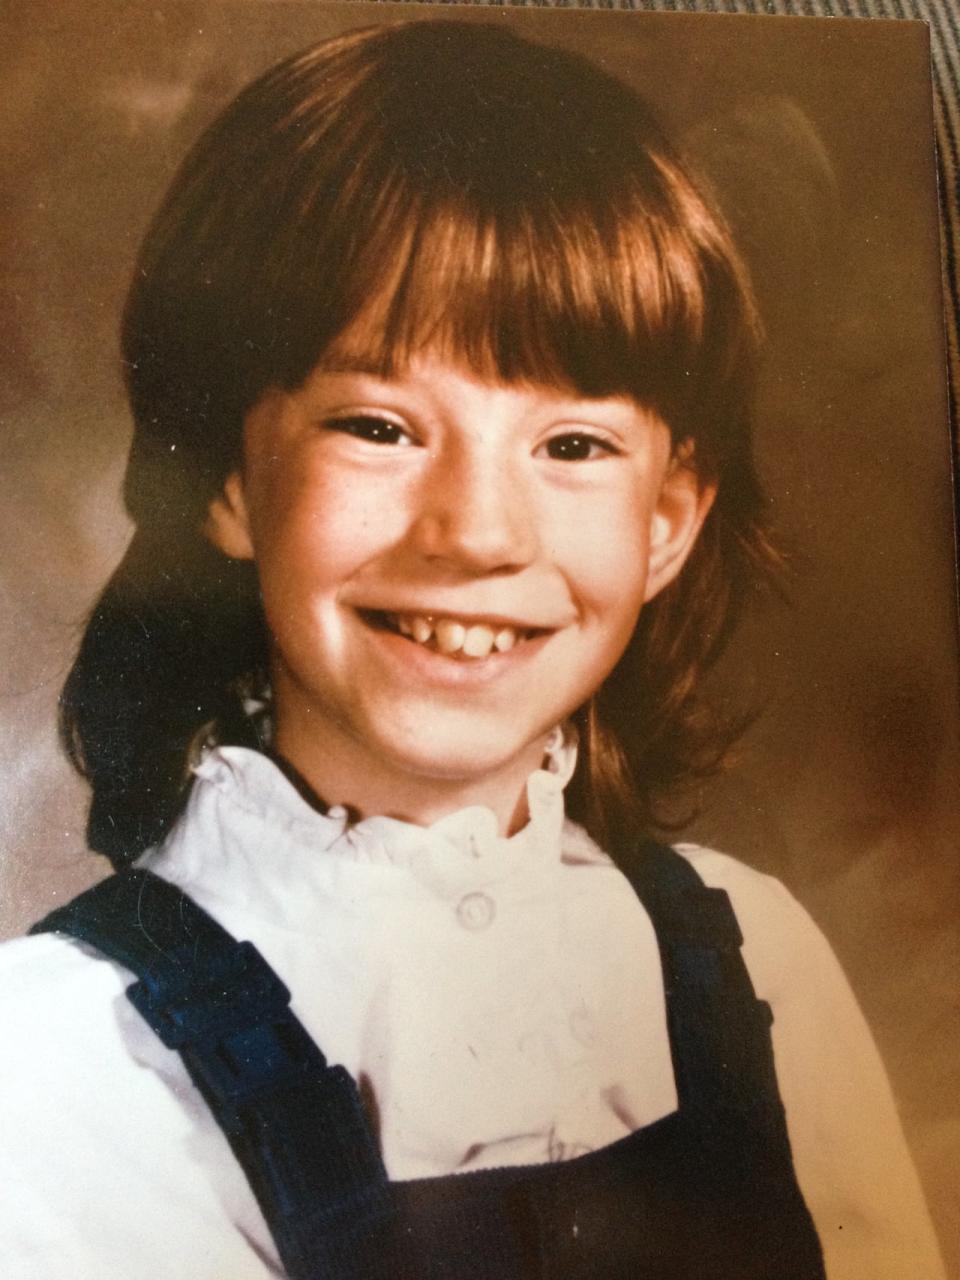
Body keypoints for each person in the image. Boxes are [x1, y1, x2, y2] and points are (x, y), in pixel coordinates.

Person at [0, 18, 945, 1280]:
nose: (477, 533)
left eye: (573, 446)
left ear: (667, 522)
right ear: (224, 477)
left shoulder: (758, 957)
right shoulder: (68, 1055)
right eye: (380, 425)